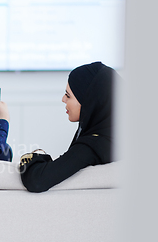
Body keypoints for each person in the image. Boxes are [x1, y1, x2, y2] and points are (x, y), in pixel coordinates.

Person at [20, 61, 118, 192]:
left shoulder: (94, 145)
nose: (63, 99)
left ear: (89, 103)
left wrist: (35, 157)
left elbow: (37, 181)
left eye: (68, 95)